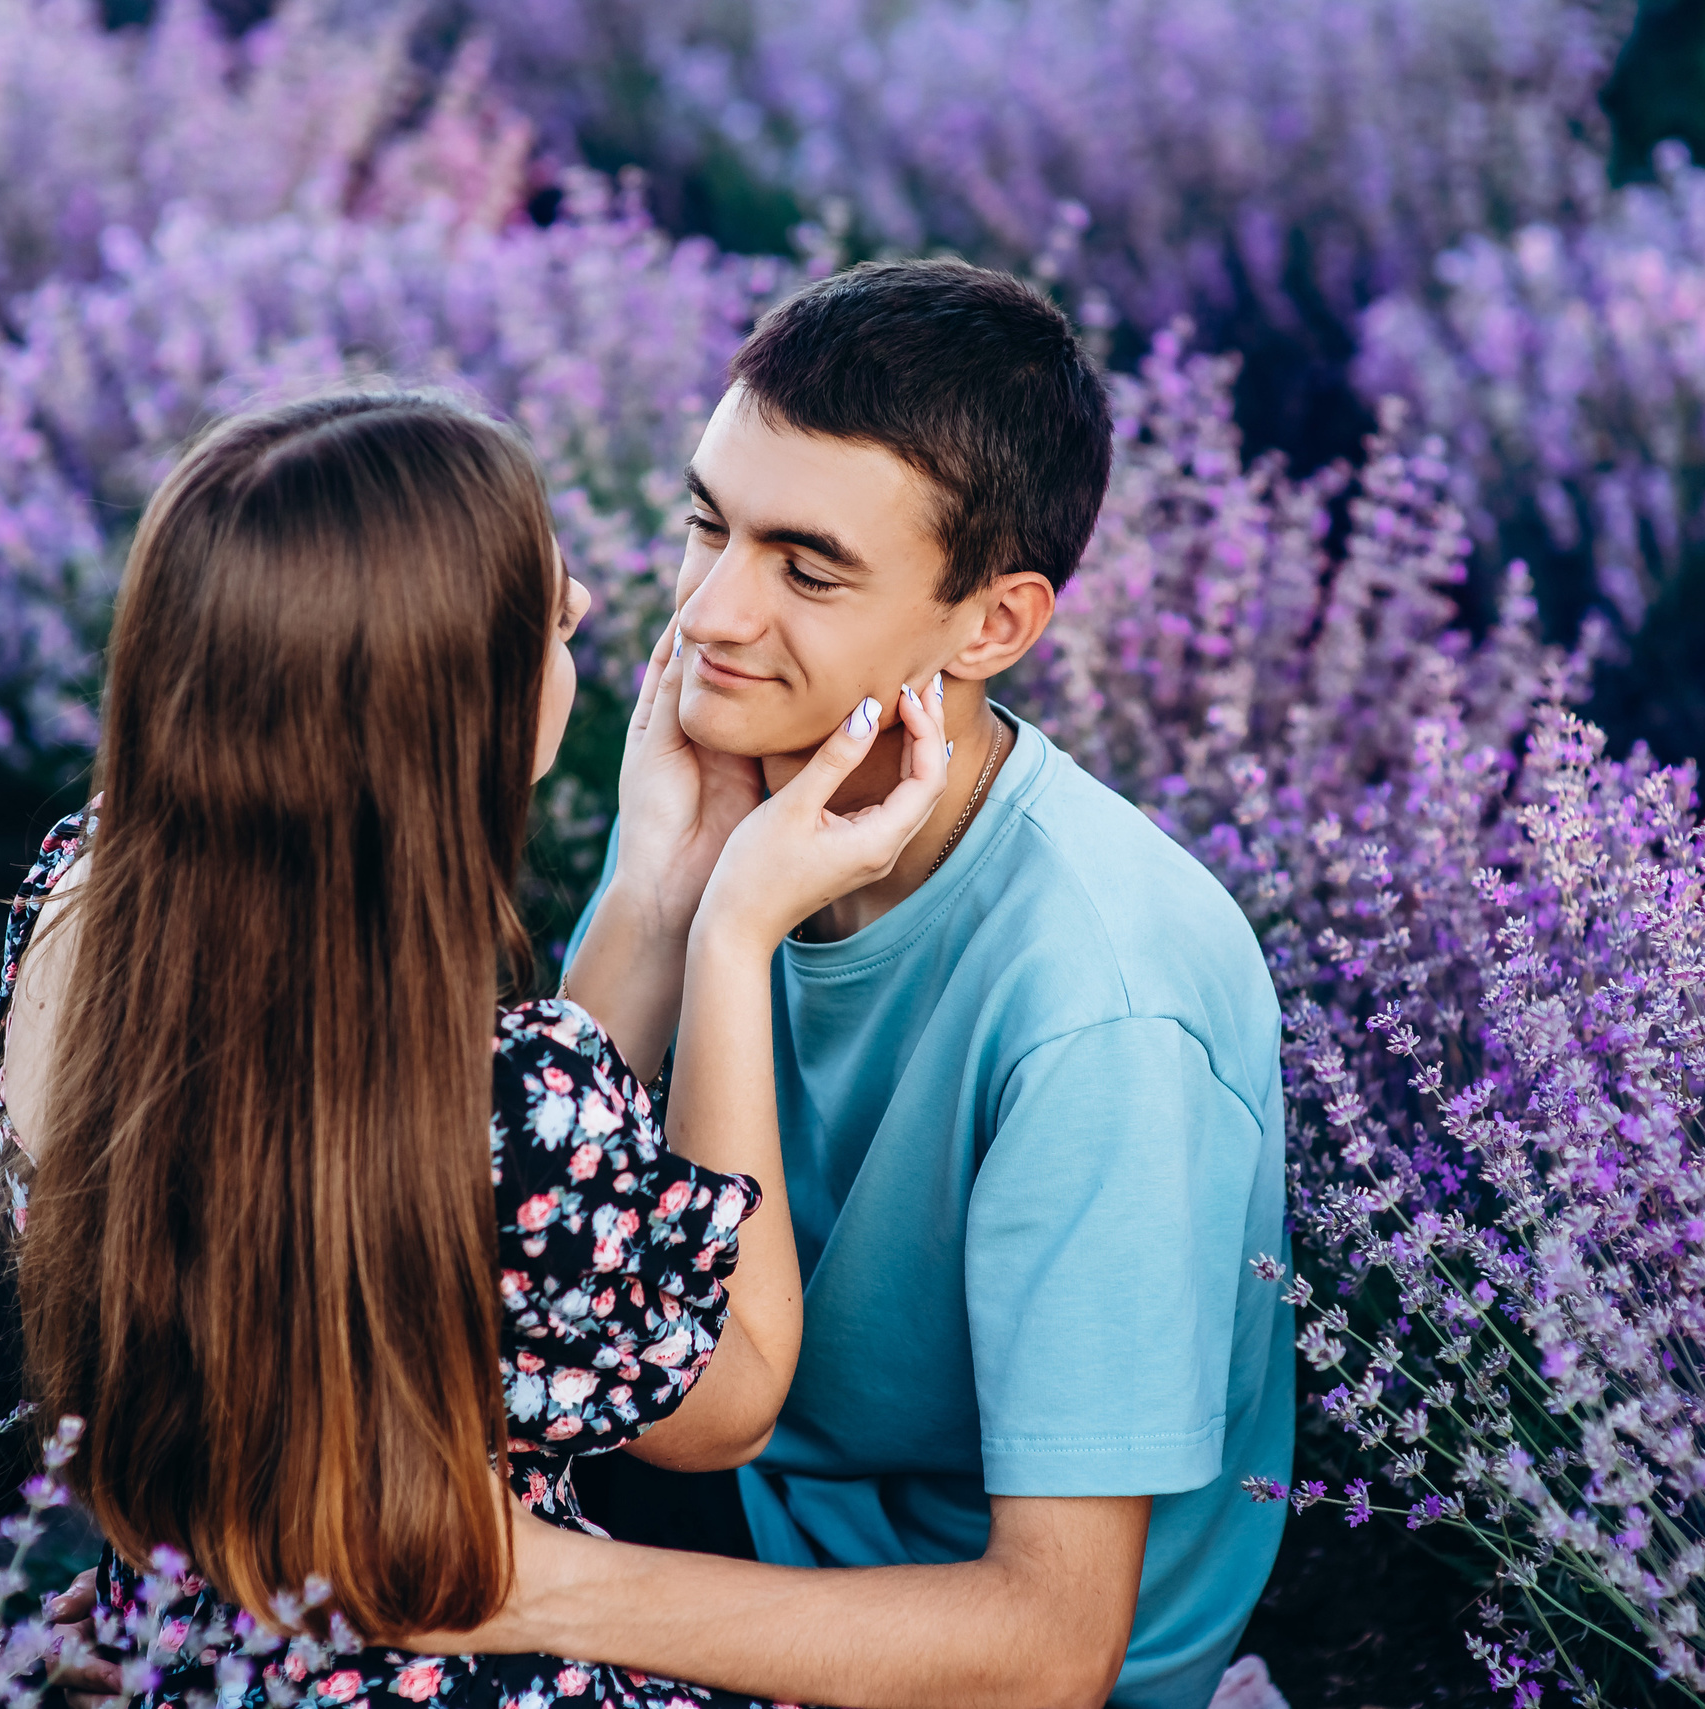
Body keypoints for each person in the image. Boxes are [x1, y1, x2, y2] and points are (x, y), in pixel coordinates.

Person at [0, 386, 952, 1706]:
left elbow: (485, 1180)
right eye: (553, 622)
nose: (610, 627)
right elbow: (724, 1400)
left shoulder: (88, 907)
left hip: (208, 1643)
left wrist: (653, 890)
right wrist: (732, 939)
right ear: (463, 703)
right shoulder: (503, 1090)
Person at [452, 259, 1294, 1709]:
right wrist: (664, 886)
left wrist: (507, 1585)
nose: (713, 615)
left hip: (936, 1645)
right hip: (734, 1493)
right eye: (707, 527)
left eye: (808, 568)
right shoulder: (740, 804)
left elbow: (1051, 1643)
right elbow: (524, 1242)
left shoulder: (1104, 1005)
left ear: (992, 627)